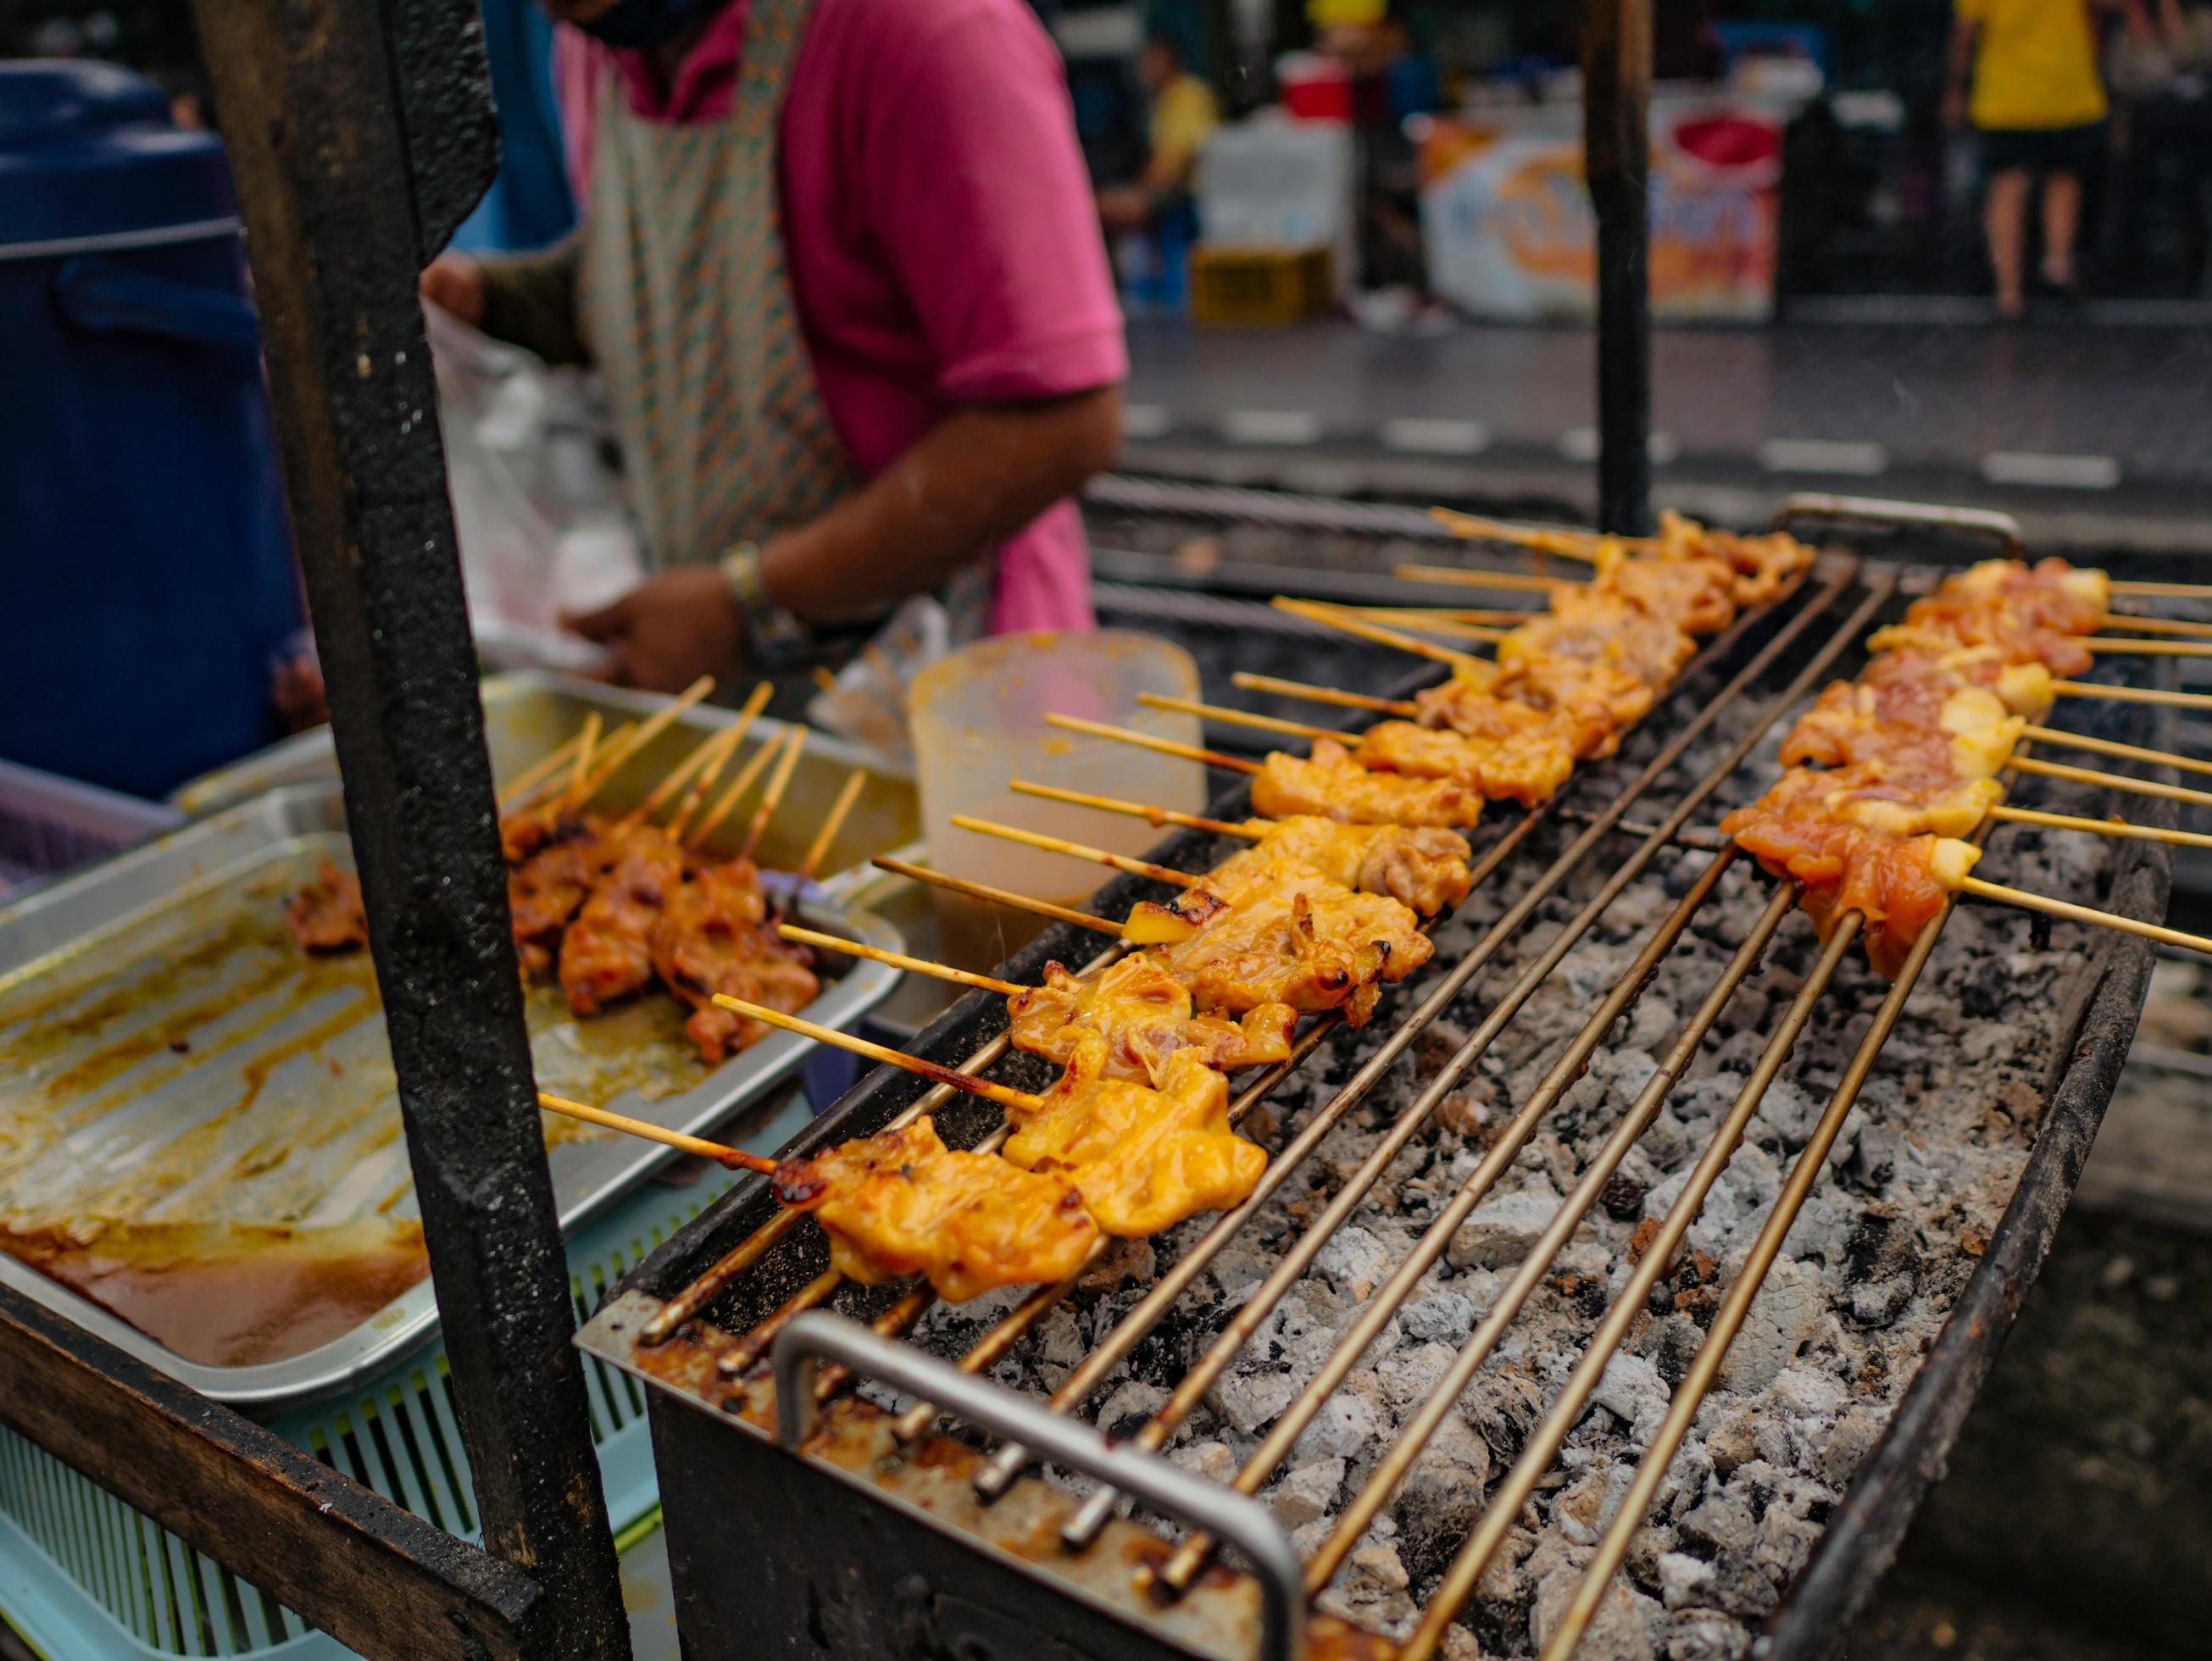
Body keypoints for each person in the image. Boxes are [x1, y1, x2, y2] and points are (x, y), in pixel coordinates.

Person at [421, 0, 1126, 691]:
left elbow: (1065, 421)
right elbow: (678, 284)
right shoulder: (598, 44)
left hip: (960, 697)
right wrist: (499, 303)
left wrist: (749, 601)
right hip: (735, 689)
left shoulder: (926, 30)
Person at [1944, 0, 2151, 318]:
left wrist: (1956, 88)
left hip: (2008, 93)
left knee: (2009, 186)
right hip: (2066, 87)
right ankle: (2057, 265)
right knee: (2064, 178)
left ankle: (2008, 292)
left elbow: (1966, 28)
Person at [1097, 35, 1220, 236]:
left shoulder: (1187, 94)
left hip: (1189, 194)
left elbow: (1175, 159)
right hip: (1171, 190)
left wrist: (1138, 192)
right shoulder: (1161, 99)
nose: (1144, 67)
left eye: (1151, 58)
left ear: (1167, 59)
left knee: (1104, 205)